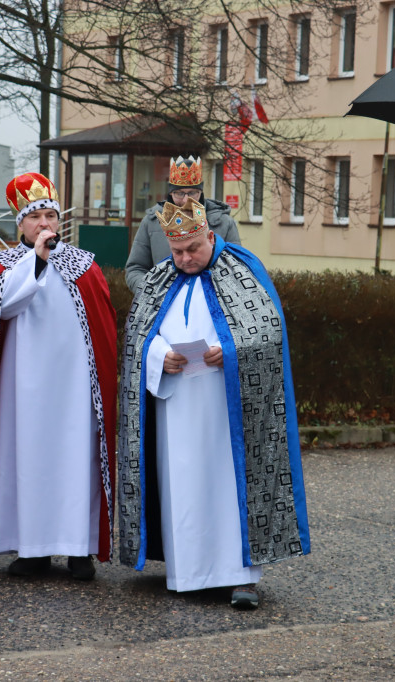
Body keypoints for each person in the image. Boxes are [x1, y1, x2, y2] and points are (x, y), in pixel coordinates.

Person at [117, 197, 310, 610]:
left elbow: (268, 331)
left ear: (210, 236)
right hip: (176, 408)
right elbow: (136, 339)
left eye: (193, 249)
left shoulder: (241, 270)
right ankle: (188, 572)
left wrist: (233, 351)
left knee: (227, 485)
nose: (185, 259)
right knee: (182, 485)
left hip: (228, 413)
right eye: (177, 252)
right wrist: (158, 355)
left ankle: (241, 577)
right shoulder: (158, 280)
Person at [0, 172, 117, 580]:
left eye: (51, 215)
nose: (45, 224)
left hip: (74, 389)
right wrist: (39, 260)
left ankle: (79, 548)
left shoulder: (85, 266)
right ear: (20, 225)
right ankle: (33, 550)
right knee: (29, 461)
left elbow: (103, 325)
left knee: (76, 461)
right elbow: (4, 307)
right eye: (36, 217)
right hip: (24, 388)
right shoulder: (4, 265)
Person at [125, 156, 241, 295]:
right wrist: (153, 293)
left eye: (192, 193)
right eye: (179, 193)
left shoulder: (224, 222)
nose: (186, 200)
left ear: (201, 192)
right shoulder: (151, 222)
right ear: (170, 193)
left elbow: (237, 268)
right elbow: (135, 268)